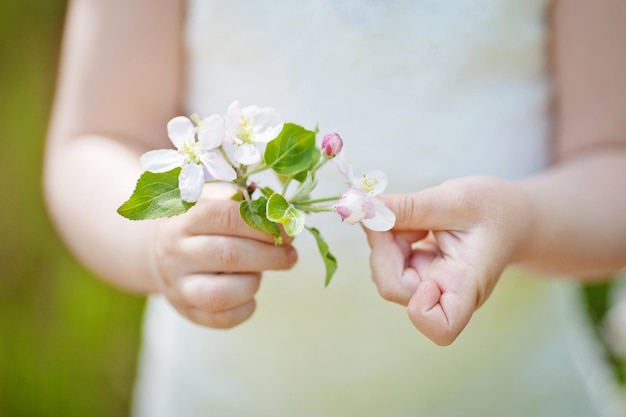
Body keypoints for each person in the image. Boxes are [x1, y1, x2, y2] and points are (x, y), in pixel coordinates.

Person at [44, 0, 626, 416]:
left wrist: (523, 221)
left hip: (511, 392)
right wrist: (158, 246)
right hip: (230, 396)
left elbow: (612, 164)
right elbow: (94, 141)